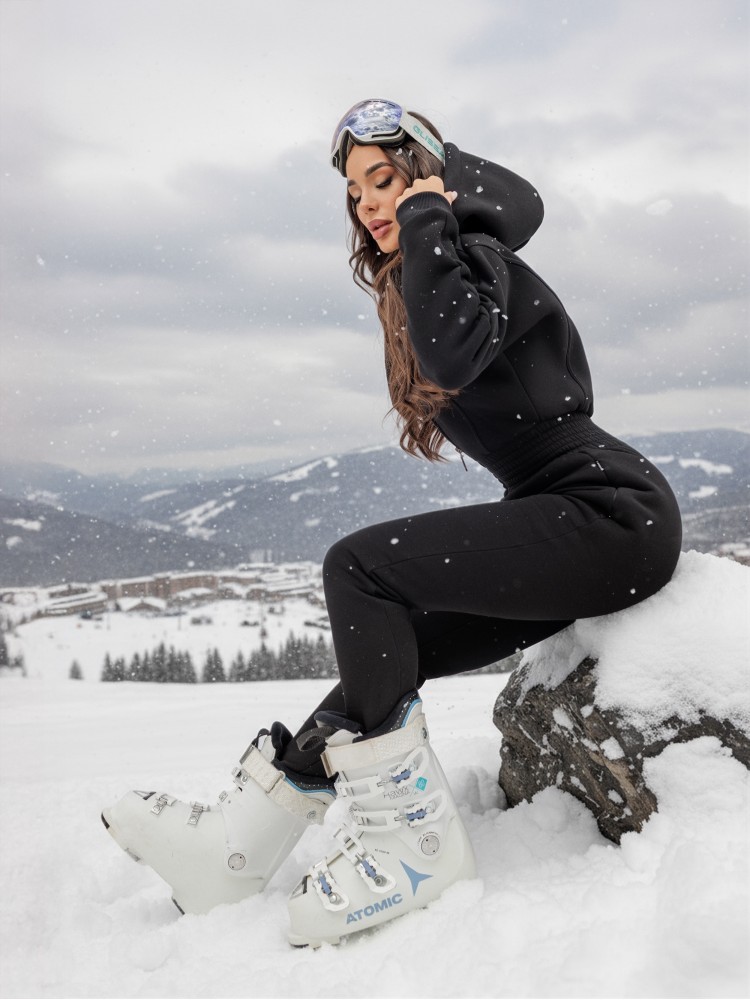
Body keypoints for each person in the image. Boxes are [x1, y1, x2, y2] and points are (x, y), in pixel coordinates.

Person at [103, 99, 682, 945]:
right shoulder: (437, 264)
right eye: (355, 190)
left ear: (427, 177)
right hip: (566, 515)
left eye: (385, 179)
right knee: (393, 642)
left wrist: (428, 216)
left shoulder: (476, 257)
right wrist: (423, 227)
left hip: (610, 512)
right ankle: (241, 843)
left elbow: (452, 352)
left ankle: (412, 844)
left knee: (358, 567)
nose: (369, 202)